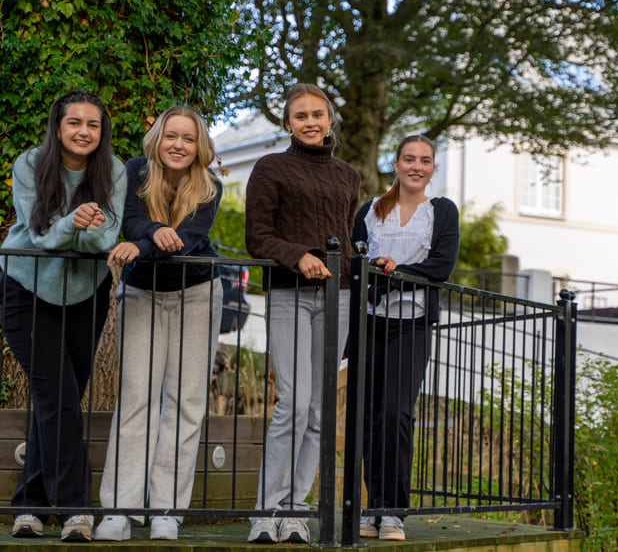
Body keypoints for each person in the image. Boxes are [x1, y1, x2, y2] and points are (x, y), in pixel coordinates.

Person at [0, 90, 127, 541]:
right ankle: (75, 509)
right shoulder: (29, 165)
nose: (84, 132)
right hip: (27, 288)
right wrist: (73, 223)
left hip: (85, 294)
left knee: (56, 402)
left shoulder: (113, 170)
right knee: (60, 399)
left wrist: (85, 231)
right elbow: (38, 235)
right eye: (75, 123)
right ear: (59, 126)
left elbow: (108, 236)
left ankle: (30, 507)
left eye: (93, 125)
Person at [94, 105, 223, 542]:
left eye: (189, 138)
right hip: (142, 294)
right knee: (136, 399)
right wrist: (149, 232)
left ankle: (166, 509)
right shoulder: (133, 172)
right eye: (172, 136)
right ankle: (118, 510)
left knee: (186, 403)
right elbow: (129, 221)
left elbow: (185, 239)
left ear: (199, 145)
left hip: (198, 294)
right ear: (157, 137)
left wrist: (142, 243)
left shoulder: (210, 186)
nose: (179, 145)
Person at [245, 83, 360, 544]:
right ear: (287, 124)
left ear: (330, 118)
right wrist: (299, 255)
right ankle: (265, 512)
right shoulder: (270, 168)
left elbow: (346, 237)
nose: (311, 122)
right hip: (290, 294)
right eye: (301, 116)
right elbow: (258, 237)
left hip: (340, 298)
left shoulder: (348, 175)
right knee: (291, 403)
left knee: (318, 409)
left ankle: (296, 510)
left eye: (318, 114)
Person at [351, 135, 459, 541]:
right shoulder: (371, 211)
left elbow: (441, 267)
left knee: (397, 412)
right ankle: (369, 507)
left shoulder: (442, 212)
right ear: (395, 164)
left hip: (411, 323)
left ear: (432, 168)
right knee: (368, 416)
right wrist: (377, 269)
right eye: (409, 159)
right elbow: (355, 258)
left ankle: (392, 511)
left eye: (425, 161)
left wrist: (397, 271)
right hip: (370, 321)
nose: (417, 166)